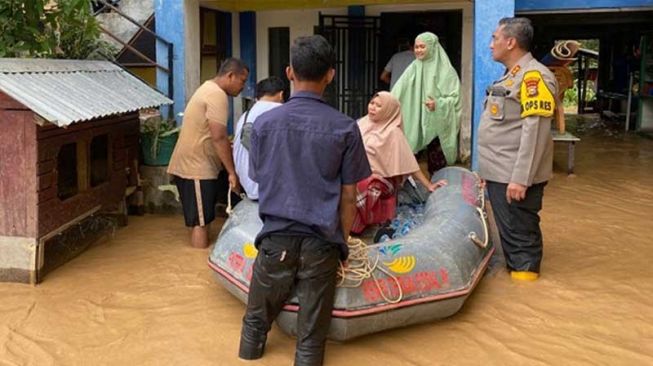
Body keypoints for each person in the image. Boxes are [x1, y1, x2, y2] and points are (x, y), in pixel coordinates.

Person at [239, 35, 371, 365]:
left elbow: (257, 176)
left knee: (254, 327)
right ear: (331, 75)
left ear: (289, 72)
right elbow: (349, 196)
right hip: (321, 245)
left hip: (274, 241)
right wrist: (341, 244)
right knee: (311, 341)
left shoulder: (264, 123)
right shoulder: (345, 128)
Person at [477, 17, 557, 281]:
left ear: (510, 42)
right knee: (512, 237)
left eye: (494, 38)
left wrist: (521, 179)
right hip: (501, 174)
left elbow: (535, 134)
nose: (490, 45)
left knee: (521, 242)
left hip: (514, 178)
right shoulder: (512, 76)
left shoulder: (534, 77)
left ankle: (527, 297)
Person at [167, 58, 248, 248]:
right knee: (200, 223)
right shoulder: (216, 94)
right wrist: (231, 172)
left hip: (199, 166)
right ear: (230, 75)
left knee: (204, 218)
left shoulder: (207, 88)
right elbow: (218, 137)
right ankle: (197, 265)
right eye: (242, 81)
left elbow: (212, 134)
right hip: (196, 167)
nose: (243, 86)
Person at [351, 91, 447, 235]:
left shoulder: (393, 133)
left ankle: (361, 226)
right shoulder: (361, 124)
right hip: (358, 171)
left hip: (382, 180)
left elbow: (409, 163)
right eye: (372, 103)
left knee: (363, 185)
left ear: (388, 110)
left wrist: (429, 185)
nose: (372, 108)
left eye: (379, 106)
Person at [391, 32, 462, 175]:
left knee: (437, 164)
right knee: (409, 160)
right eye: (416, 47)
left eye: (422, 47)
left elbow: (455, 98)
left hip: (438, 121)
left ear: (432, 47)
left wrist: (439, 104)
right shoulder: (414, 67)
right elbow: (398, 90)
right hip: (415, 119)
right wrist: (386, 105)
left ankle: (439, 190)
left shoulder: (447, 71)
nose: (418, 50)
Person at [233, 76, 285, 200]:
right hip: (273, 193)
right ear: (281, 94)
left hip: (249, 189)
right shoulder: (282, 112)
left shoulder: (245, 116)